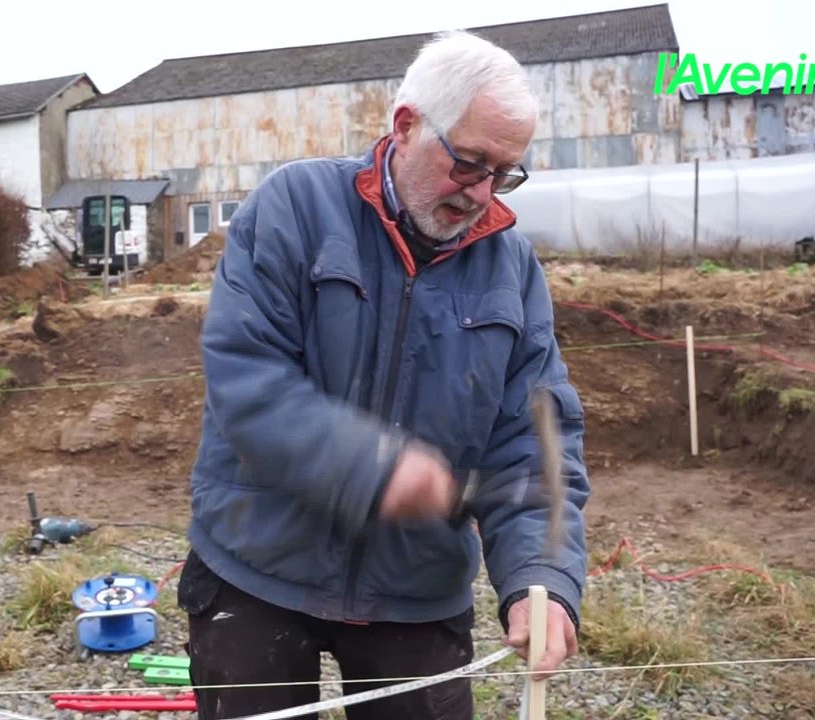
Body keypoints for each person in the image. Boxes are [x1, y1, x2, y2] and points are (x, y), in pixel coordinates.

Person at [177, 28, 590, 720]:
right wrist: (373, 468)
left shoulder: (511, 271)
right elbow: (248, 381)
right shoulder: (295, 209)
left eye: (506, 172)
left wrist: (540, 580)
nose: (483, 193)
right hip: (258, 566)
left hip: (416, 585)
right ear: (406, 126)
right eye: (470, 163)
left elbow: (535, 445)